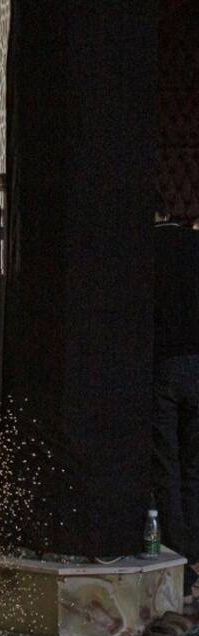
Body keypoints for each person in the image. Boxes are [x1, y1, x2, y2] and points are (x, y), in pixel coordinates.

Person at [151, 215, 199, 603]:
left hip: (164, 367)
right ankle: (197, 557)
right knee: (194, 469)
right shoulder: (194, 246)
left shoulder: (144, 252)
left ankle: (177, 554)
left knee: (165, 465)